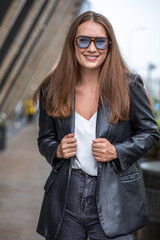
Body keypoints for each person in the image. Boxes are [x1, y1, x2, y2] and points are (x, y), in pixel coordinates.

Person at [33, 11, 159, 240]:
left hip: (115, 197)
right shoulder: (52, 89)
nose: (92, 48)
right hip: (66, 198)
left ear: (109, 45)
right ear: (73, 43)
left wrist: (117, 151)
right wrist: (57, 150)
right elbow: (44, 140)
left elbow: (150, 133)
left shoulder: (129, 85)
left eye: (99, 41)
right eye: (84, 40)